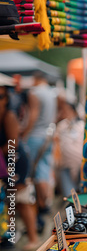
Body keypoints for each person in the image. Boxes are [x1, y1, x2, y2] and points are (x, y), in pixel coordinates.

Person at [0, 84, 39, 250]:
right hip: (4, 161)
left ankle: (33, 238)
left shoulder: (8, 116)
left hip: (14, 160)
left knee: (20, 199)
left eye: (1, 97)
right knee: (9, 200)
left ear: (7, 99)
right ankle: (8, 235)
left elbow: (13, 143)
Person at [19, 71, 57, 232]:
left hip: (35, 136)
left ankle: (39, 208)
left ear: (36, 78)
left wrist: (23, 134)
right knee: (43, 171)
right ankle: (45, 205)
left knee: (30, 175)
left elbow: (33, 115)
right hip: (48, 135)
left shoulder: (35, 93)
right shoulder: (52, 92)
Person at [54, 101, 84, 197]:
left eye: (67, 110)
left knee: (81, 193)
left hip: (81, 165)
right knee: (69, 195)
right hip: (64, 165)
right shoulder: (61, 126)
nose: (64, 112)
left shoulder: (82, 125)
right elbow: (56, 143)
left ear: (74, 111)